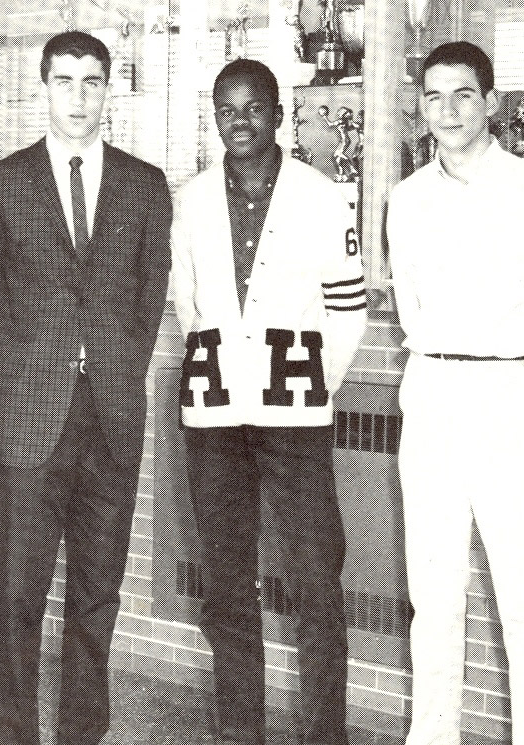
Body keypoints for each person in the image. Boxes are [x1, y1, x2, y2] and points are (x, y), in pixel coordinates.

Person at [0, 30, 173, 745]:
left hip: (110, 417)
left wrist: (112, 369)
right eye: (64, 80)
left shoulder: (144, 185)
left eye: (92, 81)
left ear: (108, 90)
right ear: (42, 87)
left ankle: (84, 733)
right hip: (28, 422)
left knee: (96, 597)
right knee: (18, 597)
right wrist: (21, 381)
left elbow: (148, 300)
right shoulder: (1, 183)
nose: (78, 96)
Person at [171, 58, 367, 745]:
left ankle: (324, 735)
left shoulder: (321, 194)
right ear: (215, 118)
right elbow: (187, 302)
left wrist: (312, 384)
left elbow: (347, 311)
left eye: (254, 108)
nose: (241, 121)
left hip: (296, 412)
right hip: (216, 412)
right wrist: (233, 363)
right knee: (228, 586)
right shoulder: (191, 199)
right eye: (228, 110)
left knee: (317, 583)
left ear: (279, 114)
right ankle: (239, 732)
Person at [387, 41, 524, 745]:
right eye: (434, 96)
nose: (448, 110)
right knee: (433, 594)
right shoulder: (405, 200)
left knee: (523, 595)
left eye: (463, 94)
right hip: (432, 390)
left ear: (491, 102)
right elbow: (411, 304)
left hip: (507, 395)